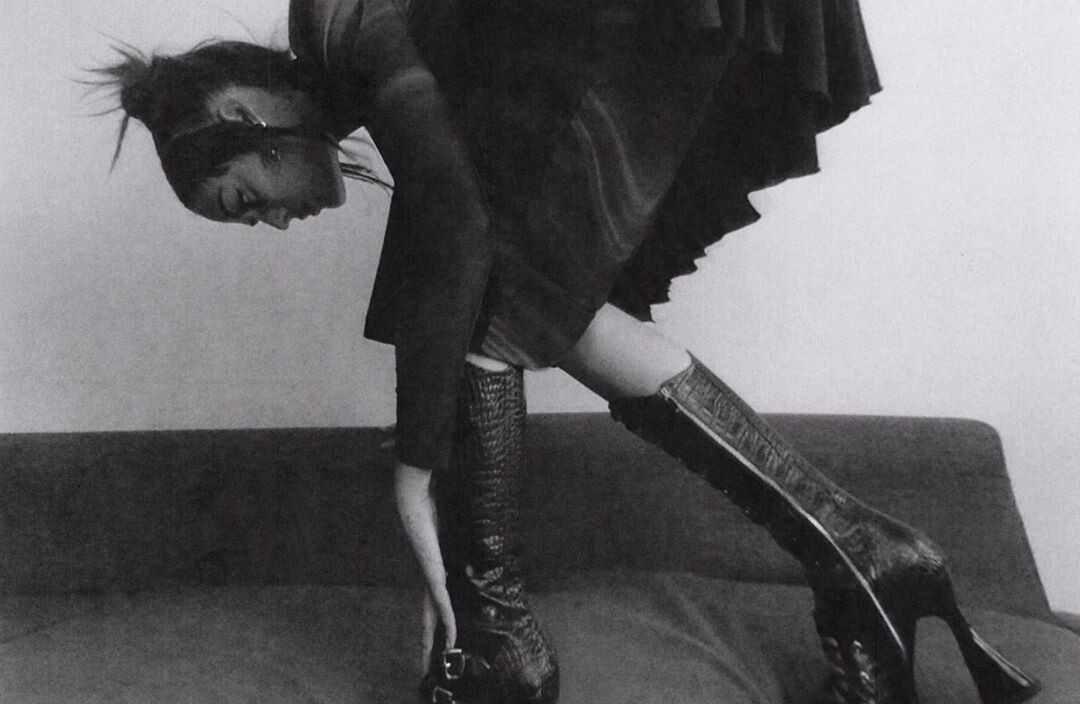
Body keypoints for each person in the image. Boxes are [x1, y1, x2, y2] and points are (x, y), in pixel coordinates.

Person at [91, 1, 1039, 703]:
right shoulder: (359, 47)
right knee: (513, 289)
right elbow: (449, 231)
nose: (273, 222)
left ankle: (503, 643)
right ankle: (868, 557)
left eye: (244, 200)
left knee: (485, 281)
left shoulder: (344, 18)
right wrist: (444, 511)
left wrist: (414, 475)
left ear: (246, 116)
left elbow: (457, 222)